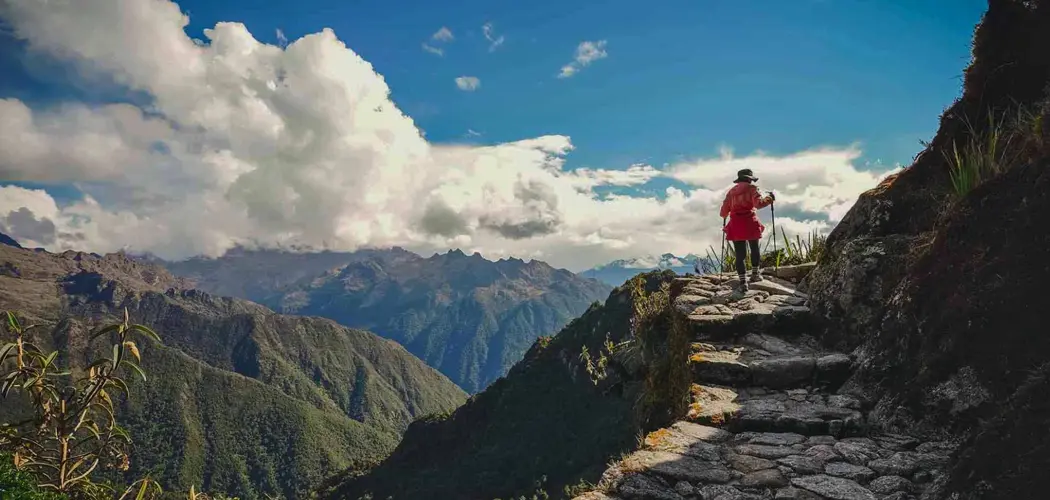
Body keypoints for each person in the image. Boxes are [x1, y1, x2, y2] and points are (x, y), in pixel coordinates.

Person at [719, 168, 775, 291]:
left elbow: (723, 212)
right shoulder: (752, 189)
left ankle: (743, 282)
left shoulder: (731, 192)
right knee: (754, 247)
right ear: (750, 179)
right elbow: (758, 204)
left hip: (736, 224)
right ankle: (755, 274)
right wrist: (769, 199)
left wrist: (725, 214)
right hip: (750, 222)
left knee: (740, 254)